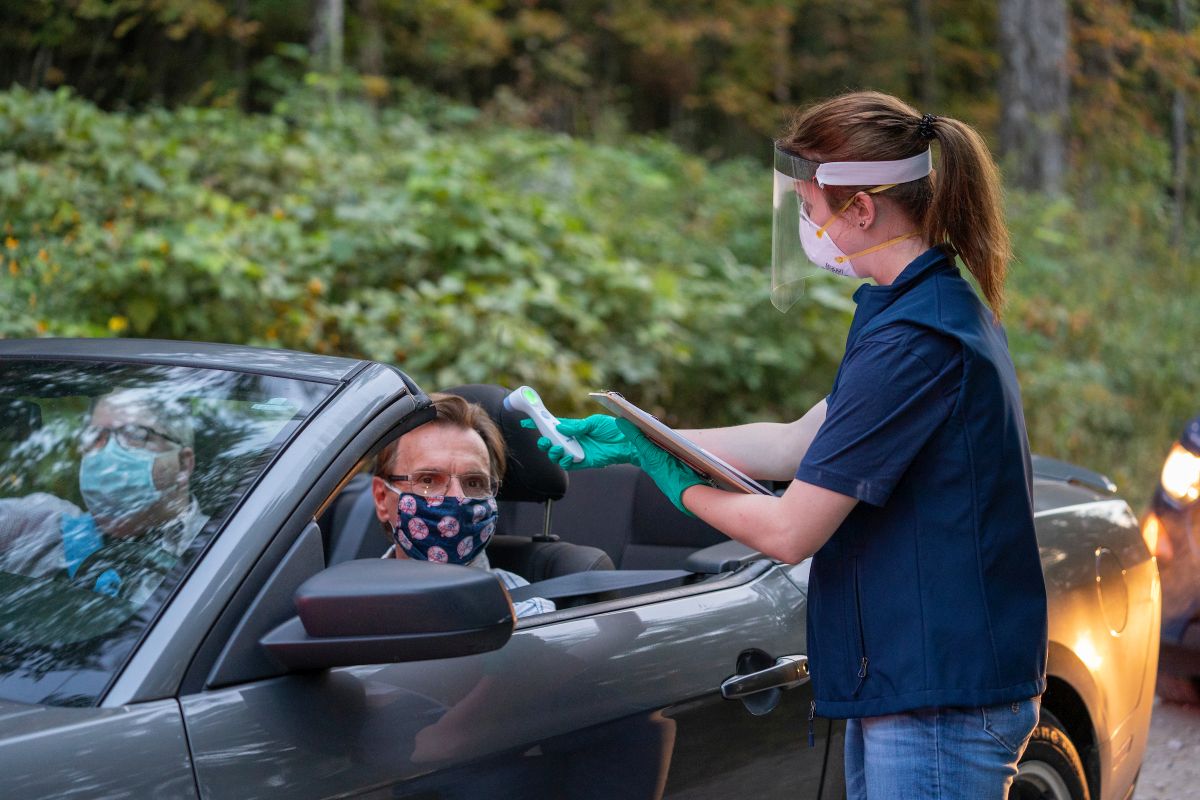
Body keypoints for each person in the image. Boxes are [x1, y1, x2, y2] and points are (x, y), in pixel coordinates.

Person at [534, 91, 1047, 799]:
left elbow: (788, 531)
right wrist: (644, 434)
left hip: (938, 696)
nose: (806, 226)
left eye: (808, 209)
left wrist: (671, 477)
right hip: (916, 682)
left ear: (860, 209)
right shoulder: (916, 307)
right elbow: (797, 443)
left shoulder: (916, 341)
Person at [0, 387, 208, 605]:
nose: (107, 452)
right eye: (95, 436)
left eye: (135, 435)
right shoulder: (36, 527)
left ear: (183, 465)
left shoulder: (217, 550)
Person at [371, 392, 554, 619]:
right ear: (381, 498)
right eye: (428, 480)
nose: (458, 498)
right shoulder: (345, 599)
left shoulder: (526, 614)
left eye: (474, 483)